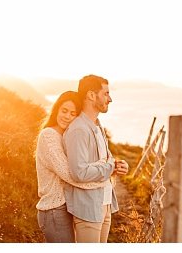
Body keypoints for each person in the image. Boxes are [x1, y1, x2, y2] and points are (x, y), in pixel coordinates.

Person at [34, 91, 111, 242]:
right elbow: (71, 175)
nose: (67, 116)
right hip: (54, 210)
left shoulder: (68, 136)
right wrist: (105, 177)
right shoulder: (49, 136)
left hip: (69, 207)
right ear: (56, 109)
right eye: (64, 111)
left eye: (72, 113)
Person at [63, 75, 128, 243]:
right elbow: (79, 172)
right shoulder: (79, 130)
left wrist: (117, 165)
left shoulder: (97, 125)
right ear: (91, 95)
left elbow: (106, 159)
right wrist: (109, 167)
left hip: (104, 202)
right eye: (106, 93)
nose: (110, 99)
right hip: (88, 207)